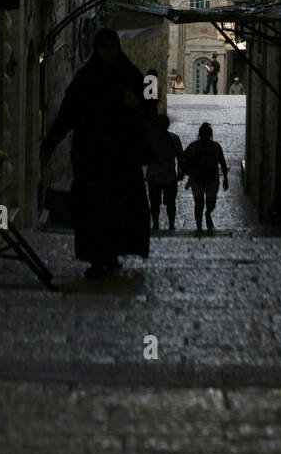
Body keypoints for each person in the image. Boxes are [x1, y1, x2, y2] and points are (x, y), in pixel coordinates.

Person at [41, 28, 151, 279]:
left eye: (113, 46)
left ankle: (111, 256)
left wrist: (138, 103)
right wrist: (49, 144)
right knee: (93, 209)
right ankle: (98, 258)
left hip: (121, 160)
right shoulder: (86, 78)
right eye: (104, 47)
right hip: (91, 159)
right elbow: (67, 114)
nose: (109, 52)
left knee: (118, 209)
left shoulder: (128, 75)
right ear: (97, 48)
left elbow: (150, 101)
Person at [183, 122, 228, 233]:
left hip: (212, 180)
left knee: (211, 203)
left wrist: (226, 178)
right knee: (198, 204)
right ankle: (199, 227)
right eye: (204, 135)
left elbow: (222, 162)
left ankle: (208, 214)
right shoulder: (193, 146)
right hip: (197, 180)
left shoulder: (216, 147)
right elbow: (183, 157)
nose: (206, 138)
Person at [146, 114, 185, 231]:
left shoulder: (150, 139)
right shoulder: (173, 138)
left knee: (155, 203)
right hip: (169, 176)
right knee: (170, 203)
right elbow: (180, 156)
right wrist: (180, 171)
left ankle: (156, 224)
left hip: (154, 176)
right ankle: (171, 224)